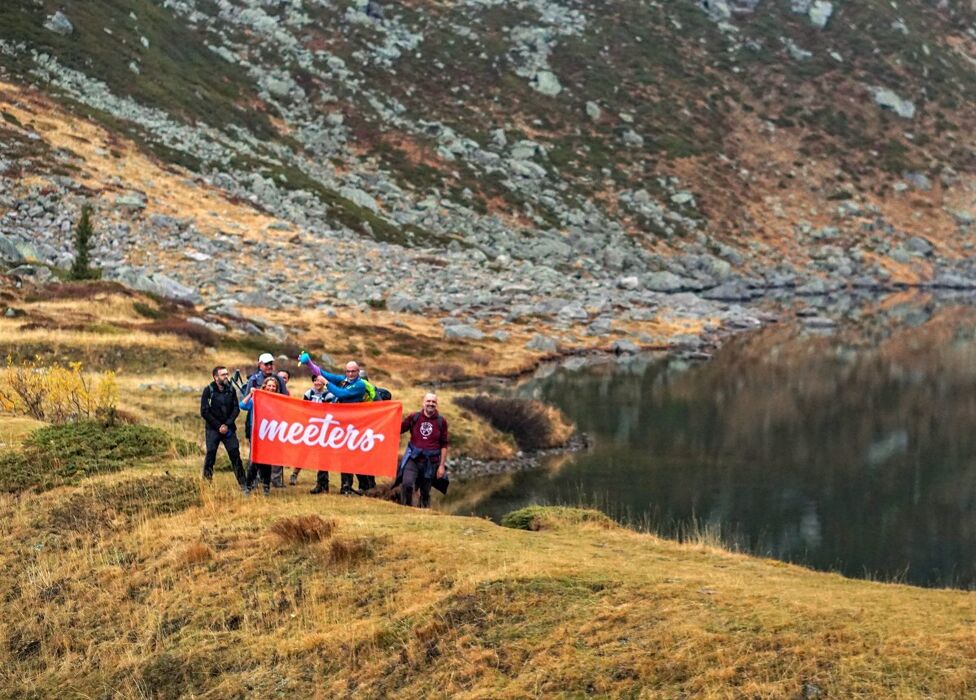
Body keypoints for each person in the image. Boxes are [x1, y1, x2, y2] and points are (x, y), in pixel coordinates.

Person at [298, 352, 375, 494]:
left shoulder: (359, 385)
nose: (350, 374)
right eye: (348, 371)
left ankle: (350, 487)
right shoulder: (344, 380)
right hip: (337, 423)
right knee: (324, 451)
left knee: (348, 456)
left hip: (352, 426)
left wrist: (327, 383)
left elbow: (341, 394)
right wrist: (309, 363)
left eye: (353, 371)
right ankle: (322, 484)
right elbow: (323, 373)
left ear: (358, 372)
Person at [398, 393, 449, 508]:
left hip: (431, 462)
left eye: (433, 402)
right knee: (407, 484)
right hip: (413, 459)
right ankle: (406, 509)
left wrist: (441, 466)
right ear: (423, 403)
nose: (431, 404)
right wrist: (391, 416)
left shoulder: (441, 422)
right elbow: (399, 429)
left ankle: (424, 514)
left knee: (425, 492)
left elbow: (444, 444)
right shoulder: (414, 417)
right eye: (428, 401)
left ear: (436, 404)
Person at [289, 375, 336, 493]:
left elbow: (330, 412)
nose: (317, 383)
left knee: (323, 455)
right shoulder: (308, 393)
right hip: (310, 427)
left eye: (319, 380)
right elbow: (304, 408)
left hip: (324, 429)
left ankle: (323, 483)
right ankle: (295, 474)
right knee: (304, 451)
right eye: (315, 380)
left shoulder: (329, 395)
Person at [199, 366, 245, 485]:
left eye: (226, 374)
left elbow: (236, 409)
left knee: (235, 455)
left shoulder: (231, 389)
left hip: (229, 429)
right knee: (211, 455)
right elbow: (204, 411)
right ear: (215, 377)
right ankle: (206, 484)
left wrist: (227, 424)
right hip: (213, 429)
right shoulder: (208, 390)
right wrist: (219, 426)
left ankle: (244, 484)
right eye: (223, 374)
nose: (226, 377)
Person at [240, 375, 282, 496]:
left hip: (270, 434)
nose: (271, 388)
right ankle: (248, 486)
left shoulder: (278, 400)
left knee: (267, 460)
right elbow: (243, 405)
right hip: (257, 434)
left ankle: (266, 487)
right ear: (264, 386)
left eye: (273, 386)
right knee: (255, 460)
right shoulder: (257, 399)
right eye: (269, 385)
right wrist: (251, 394)